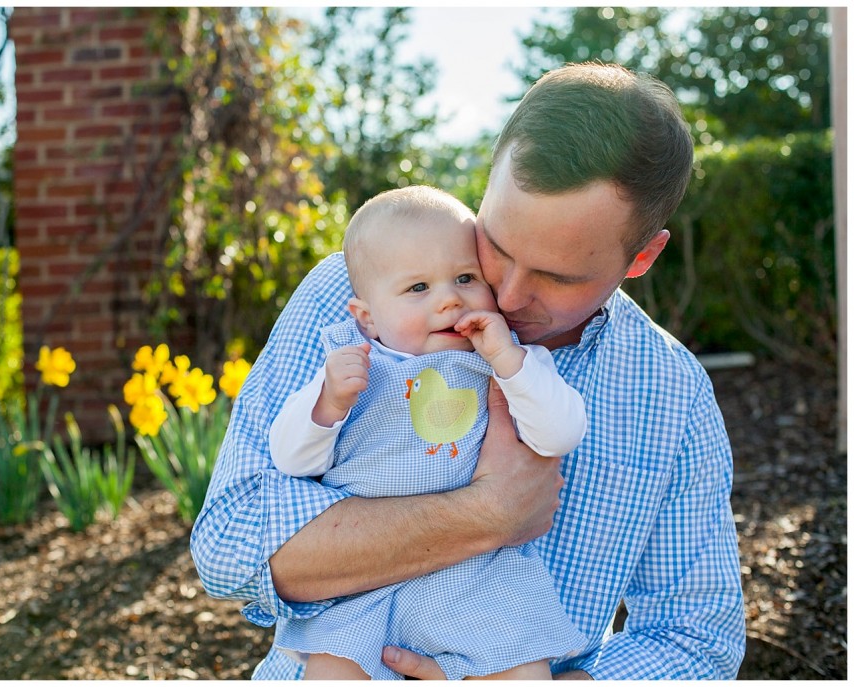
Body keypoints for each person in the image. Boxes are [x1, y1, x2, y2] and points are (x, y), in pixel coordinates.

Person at [190, 62, 746, 679]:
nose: (504, 297)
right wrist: (487, 514)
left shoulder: (670, 393)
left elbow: (698, 640)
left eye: (558, 278)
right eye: (497, 246)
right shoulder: (357, 294)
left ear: (642, 257)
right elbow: (229, 546)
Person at [267, 185, 587, 680]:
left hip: (480, 581)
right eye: (418, 289)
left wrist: (508, 362)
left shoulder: (511, 362)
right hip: (364, 581)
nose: (448, 301)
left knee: (523, 674)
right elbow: (291, 462)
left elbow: (561, 434)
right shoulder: (350, 368)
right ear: (367, 318)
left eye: (465, 278)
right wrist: (328, 404)